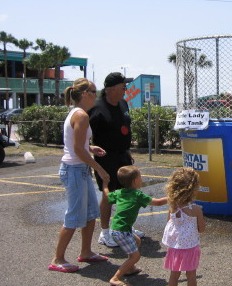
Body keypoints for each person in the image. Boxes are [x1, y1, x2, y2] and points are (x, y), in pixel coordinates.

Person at [49, 78, 110, 273]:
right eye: (93, 91)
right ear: (84, 94)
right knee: (74, 215)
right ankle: (57, 259)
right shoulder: (81, 115)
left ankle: (86, 251)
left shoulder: (78, 113)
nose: (96, 94)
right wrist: (99, 168)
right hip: (74, 170)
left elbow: (77, 144)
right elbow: (76, 149)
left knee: (91, 213)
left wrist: (91, 147)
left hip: (79, 169)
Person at [89, 72, 142, 248]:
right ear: (111, 89)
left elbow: (125, 128)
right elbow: (80, 135)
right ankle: (105, 233)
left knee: (127, 192)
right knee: (109, 194)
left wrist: (127, 150)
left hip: (123, 155)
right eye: (123, 86)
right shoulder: (96, 107)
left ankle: (124, 228)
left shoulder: (123, 103)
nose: (125, 89)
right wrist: (89, 149)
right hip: (106, 157)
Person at [105, 165, 168, 286]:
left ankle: (130, 268)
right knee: (135, 256)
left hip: (118, 228)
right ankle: (116, 277)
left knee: (137, 241)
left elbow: (107, 195)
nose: (142, 178)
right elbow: (159, 202)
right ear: (134, 181)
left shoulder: (119, 192)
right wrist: (173, 197)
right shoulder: (137, 195)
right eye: (140, 177)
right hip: (121, 231)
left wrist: (104, 185)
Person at [162, 168, 206, 286]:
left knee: (174, 274)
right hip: (190, 247)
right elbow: (201, 229)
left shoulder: (172, 205)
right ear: (193, 189)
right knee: (191, 275)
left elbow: (169, 222)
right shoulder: (195, 209)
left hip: (175, 246)